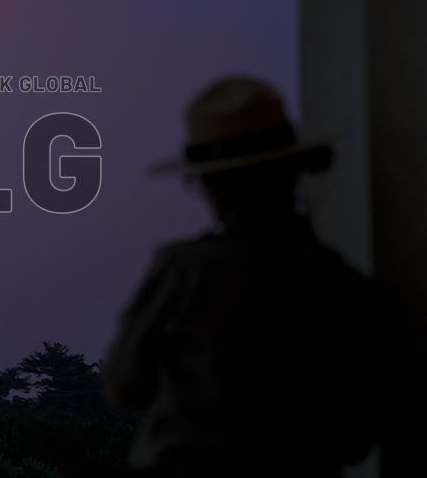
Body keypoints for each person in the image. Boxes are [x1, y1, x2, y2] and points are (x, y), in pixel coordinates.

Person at [104, 77, 384, 477]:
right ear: (292, 172)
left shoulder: (186, 272)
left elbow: (124, 384)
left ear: (215, 187)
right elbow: (361, 430)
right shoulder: (344, 284)